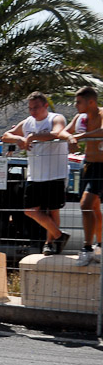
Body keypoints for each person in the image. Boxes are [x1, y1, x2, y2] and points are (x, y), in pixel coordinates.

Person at [2, 91, 71, 255]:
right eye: (30, 108)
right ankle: (59, 236)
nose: (33, 111)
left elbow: (56, 133)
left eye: (36, 107)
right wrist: (18, 139)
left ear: (45, 106)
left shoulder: (56, 118)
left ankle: (50, 243)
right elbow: (5, 136)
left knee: (53, 210)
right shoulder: (27, 122)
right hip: (35, 174)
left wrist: (33, 137)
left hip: (55, 173)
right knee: (30, 210)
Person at [67, 86, 103, 265]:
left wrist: (81, 136)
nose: (75, 105)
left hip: (102, 166)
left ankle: (89, 248)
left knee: (87, 205)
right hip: (88, 165)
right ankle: (97, 247)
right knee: (92, 207)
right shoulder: (79, 117)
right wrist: (70, 138)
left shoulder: (102, 113)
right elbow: (65, 131)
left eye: (79, 102)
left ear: (91, 102)